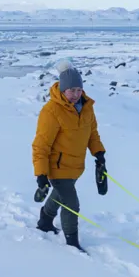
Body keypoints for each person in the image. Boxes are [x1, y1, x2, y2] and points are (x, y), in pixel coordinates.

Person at [32, 59, 107, 252]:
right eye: (71, 90)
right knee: (71, 204)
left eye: (78, 90)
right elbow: (41, 145)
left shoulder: (87, 107)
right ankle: (72, 243)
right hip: (57, 168)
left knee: (59, 195)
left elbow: (92, 134)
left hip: (76, 166)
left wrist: (99, 153)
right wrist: (41, 174)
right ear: (62, 90)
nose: (75, 94)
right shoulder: (51, 111)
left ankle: (45, 222)